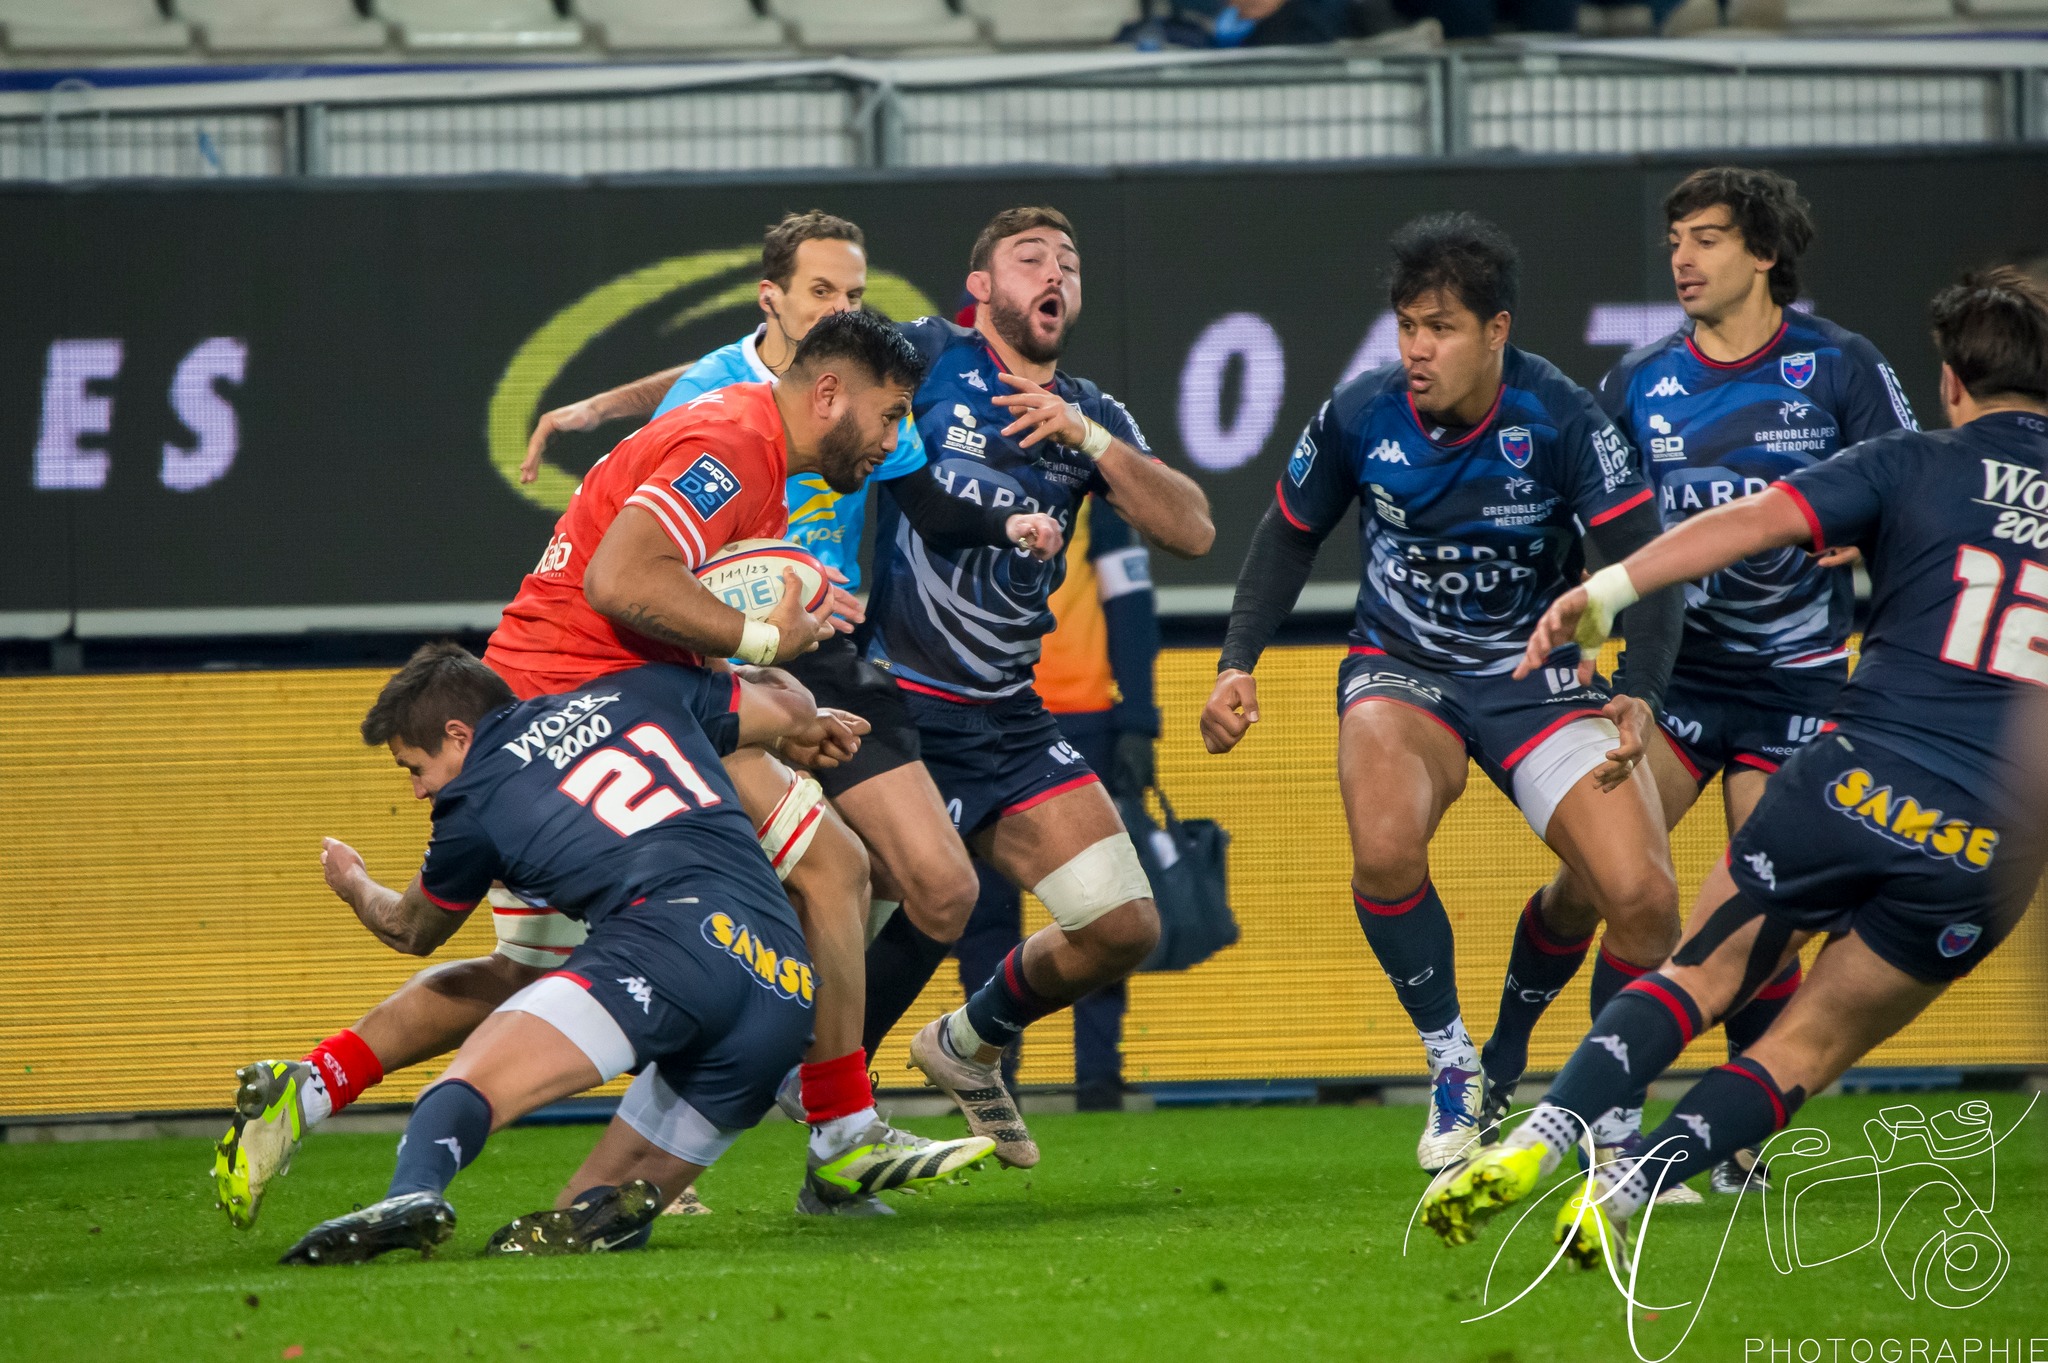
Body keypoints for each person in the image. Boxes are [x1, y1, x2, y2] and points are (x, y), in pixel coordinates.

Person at [221, 312, 979, 1224]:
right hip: (578, 698)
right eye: (891, 414)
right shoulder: (736, 445)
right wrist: (769, 642)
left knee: (531, 965)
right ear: (828, 394)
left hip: (595, 691)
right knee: (832, 868)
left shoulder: (753, 446)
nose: (897, 439)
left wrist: (774, 710)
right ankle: (838, 1131)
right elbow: (620, 584)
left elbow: (665, 616)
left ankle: (308, 1087)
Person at [1424, 267, 2048, 1268]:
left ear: (1949, 381)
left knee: (1695, 968)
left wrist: (1609, 588)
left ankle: (1542, 1136)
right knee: (1800, 1048)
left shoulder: (1913, 462)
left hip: (1849, 779)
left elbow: (1750, 523)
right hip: (1982, 846)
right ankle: (1626, 1191)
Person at [1199, 212, 1685, 1172]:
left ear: (1497, 332)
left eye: (1442, 329)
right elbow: (1289, 532)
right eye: (1407, 326)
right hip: (1402, 665)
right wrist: (1236, 661)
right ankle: (1454, 1061)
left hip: (1538, 678)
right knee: (1382, 848)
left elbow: (1649, 563)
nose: (1417, 349)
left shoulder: (1563, 417)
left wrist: (1639, 691)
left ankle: (1608, 1113)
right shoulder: (1358, 412)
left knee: (1642, 898)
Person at [1473, 167, 1920, 1198]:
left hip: (1797, 684)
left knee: (1758, 914)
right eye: (1676, 237)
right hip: (1669, 681)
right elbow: (1597, 523)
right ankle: (1513, 1063)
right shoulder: (1637, 381)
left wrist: (1859, 541)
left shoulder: (1841, 367)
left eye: (1708, 238)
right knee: (1602, 885)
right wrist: (1590, 628)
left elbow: (1912, 492)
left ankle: (1711, 1141)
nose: (1682, 256)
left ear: (1762, 254)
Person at [277, 645, 992, 1263]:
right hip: (780, 985)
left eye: (414, 766)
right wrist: (805, 715)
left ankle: (409, 1195)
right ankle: (613, 1212)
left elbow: (411, 929)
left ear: (459, 734)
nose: (418, 788)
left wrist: (352, 883)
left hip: (666, 946)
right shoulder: (643, 689)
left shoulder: (474, 801)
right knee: (588, 1217)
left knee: (466, 1086)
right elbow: (783, 699)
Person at [863, 205, 1215, 1166]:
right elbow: (793, 382)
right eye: (1029, 259)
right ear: (980, 287)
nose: (1053, 272)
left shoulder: (1091, 410)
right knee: (833, 925)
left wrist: (1090, 439)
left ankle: (966, 1043)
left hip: (1010, 717)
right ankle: (682, 1141)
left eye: (1068, 260)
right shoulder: (928, 354)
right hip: (899, 702)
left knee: (1122, 927)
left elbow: (1193, 529)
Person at [954, 496, 1161, 1110]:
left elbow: (1129, 602)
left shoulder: (1091, 487)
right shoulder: (956, 486)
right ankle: (987, 1070)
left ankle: (1099, 1079)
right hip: (981, 711)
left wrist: (1138, 717)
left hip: (1079, 716)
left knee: (1100, 908)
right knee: (984, 914)